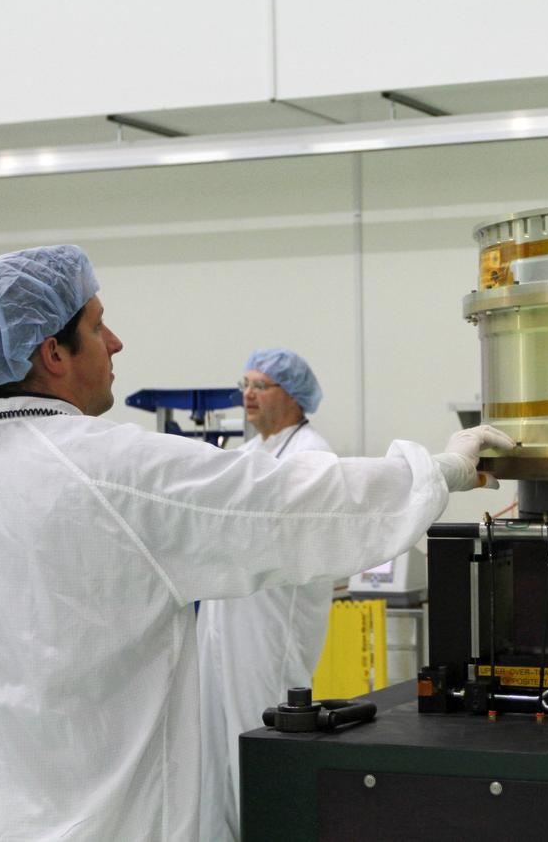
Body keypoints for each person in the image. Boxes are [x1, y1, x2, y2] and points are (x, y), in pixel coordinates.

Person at [0, 246, 513, 841]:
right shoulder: (116, 471)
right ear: (53, 352)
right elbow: (285, 503)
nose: (117, 342)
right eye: (99, 327)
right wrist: (439, 471)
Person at [197, 347, 337, 842]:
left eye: (262, 385)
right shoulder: (247, 454)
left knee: (258, 727)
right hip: (227, 620)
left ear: (293, 396)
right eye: (246, 384)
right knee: (218, 739)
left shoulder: (311, 456)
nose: (248, 395)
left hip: (272, 625)